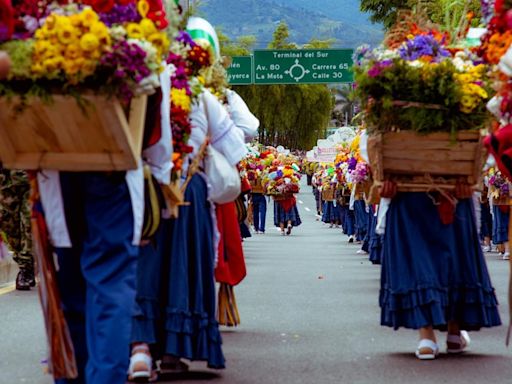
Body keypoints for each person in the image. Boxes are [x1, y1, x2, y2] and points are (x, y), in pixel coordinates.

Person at [37, 65, 173, 384]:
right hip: (114, 172)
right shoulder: (136, 29)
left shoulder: (41, 33)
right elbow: (155, 122)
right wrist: (161, 177)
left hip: (54, 167)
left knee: (70, 293)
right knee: (108, 288)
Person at [129, 18, 249, 380]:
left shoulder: (137, 89)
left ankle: (139, 348)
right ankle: (175, 352)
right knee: (182, 264)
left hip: (144, 187)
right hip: (188, 191)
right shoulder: (200, 95)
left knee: (143, 264)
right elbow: (237, 150)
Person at [379, 181, 501, 360]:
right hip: (450, 189)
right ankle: (453, 331)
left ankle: (427, 335)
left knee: (417, 258)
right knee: (454, 255)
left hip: (411, 190)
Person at [0, 169, 35, 290]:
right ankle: (25, 263)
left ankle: (25, 269)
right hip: (4, 183)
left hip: (29, 179)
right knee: (9, 226)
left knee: (29, 222)